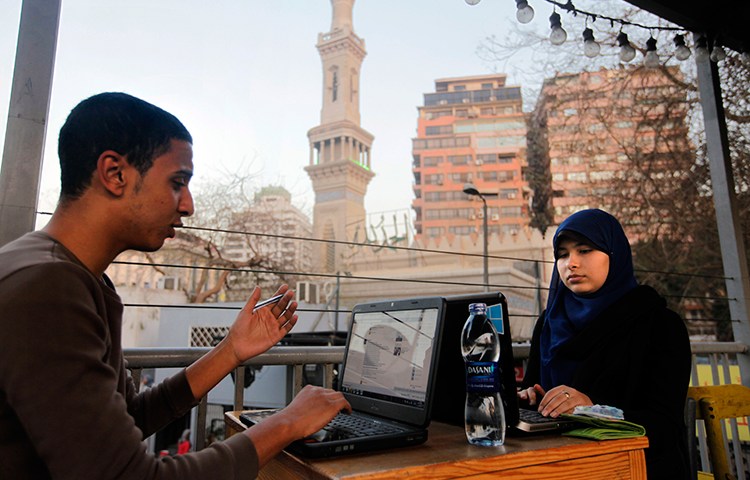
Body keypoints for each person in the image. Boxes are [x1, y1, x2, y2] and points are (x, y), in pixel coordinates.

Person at [0, 92, 351, 479]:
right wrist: (287, 424)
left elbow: (127, 419)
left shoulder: (74, 276)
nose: (188, 205)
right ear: (115, 174)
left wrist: (230, 351)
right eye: (177, 182)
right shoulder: (46, 288)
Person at [517, 208, 691, 480]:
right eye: (562, 254)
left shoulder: (659, 324)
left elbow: (664, 424)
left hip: (635, 466)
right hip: (556, 463)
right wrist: (532, 398)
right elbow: (536, 390)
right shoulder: (549, 324)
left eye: (584, 250)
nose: (571, 263)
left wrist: (592, 410)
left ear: (615, 254)